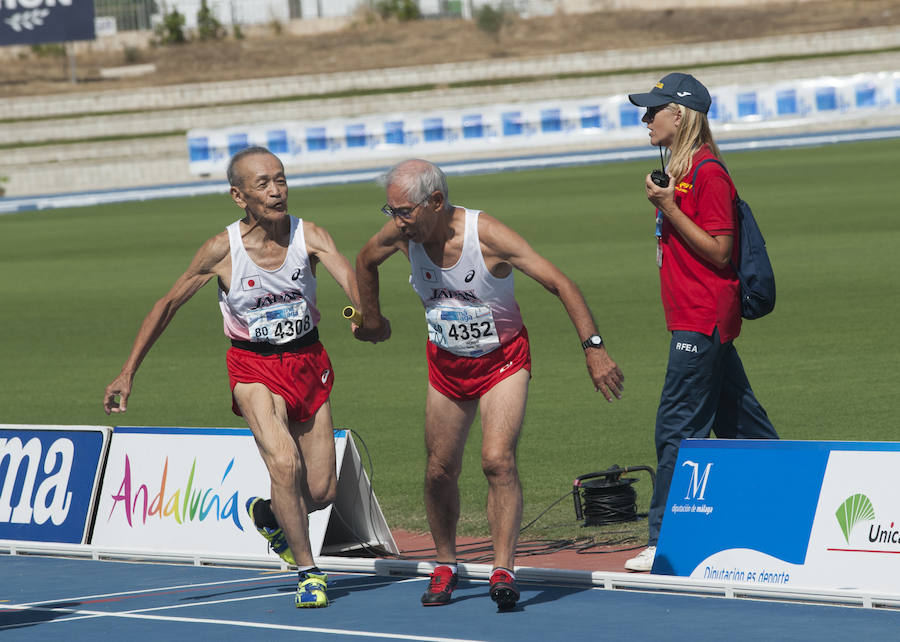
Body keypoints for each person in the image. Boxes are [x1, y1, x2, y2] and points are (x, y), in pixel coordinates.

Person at [354, 159, 624, 610]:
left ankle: (503, 568)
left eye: (404, 211)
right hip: (446, 365)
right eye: (392, 211)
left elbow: (560, 282)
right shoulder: (404, 235)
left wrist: (594, 349)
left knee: (497, 460)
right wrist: (373, 318)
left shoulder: (487, 236)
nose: (397, 221)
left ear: (436, 202)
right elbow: (364, 261)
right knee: (440, 469)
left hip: (503, 360)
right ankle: (445, 564)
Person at [102, 146, 360, 608]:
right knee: (284, 464)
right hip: (253, 367)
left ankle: (269, 515)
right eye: (263, 184)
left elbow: (348, 277)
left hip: (307, 361)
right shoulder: (222, 250)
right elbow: (167, 305)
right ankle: (309, 572)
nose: (276, 191)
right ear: (239, 196)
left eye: (280, 180)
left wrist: (366, 312)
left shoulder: (309, 234)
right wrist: (127, 371)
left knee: (319, 492)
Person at [623, 73, 778, 573]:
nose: (646, 119)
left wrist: (668, 207)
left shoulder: (708, 174)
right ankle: (791, 496)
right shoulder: (687, 170)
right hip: (698, 319)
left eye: (654, 110)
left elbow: (720, 250)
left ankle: (663, 539)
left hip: (702, 319)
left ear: (680, 115)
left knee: (677, 427)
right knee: (742, 424)